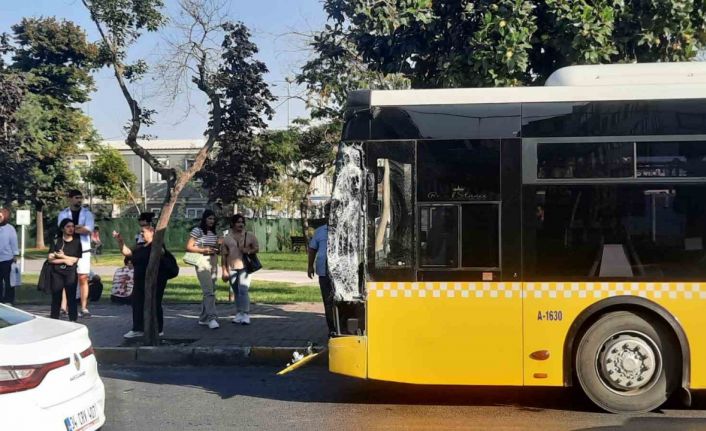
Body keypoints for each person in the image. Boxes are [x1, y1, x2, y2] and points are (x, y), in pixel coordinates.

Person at [114, 225, 168, 338]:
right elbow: (128, 253)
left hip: (155, 280)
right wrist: (120, 242)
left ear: (152, 232)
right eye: (141, 232)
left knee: (155, 303)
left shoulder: (157, 246)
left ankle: (158, 329)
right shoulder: (140, 247)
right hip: (139, 280)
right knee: (137, 303)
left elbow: (162, 255)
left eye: (143, 232)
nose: (141, 234)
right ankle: (138, 328)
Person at [57, 189, 94, 318]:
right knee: (65, 279)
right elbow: (62, 228)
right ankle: (63, 307)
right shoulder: (63, 213)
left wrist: (72, 228)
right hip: (68, 249)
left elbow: (88, 229)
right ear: (70, 198)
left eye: (80, 198)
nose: (79, 200)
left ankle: (84, 307)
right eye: (76, 198)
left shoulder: (87, 214)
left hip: (83, 248)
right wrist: (79, 228)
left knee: (83, 278)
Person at [221, 214, 259, 325]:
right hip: (232, 267)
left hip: (245, 266)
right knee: (236, 291)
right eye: (238, 222)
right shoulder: (227, 238)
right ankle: (239, 313)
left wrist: (248, 250)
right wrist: (224, 270)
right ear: (233, 224)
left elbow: (256, 248)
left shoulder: (249, 235)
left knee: (243, 289)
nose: (240, 224)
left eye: (242, 222)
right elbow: (224, 255)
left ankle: (246, 314)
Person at [186, 210, 221, 329]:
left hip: (213, 260)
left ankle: (203, 318)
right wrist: (203, 250)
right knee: (208, 291)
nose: (211, 221)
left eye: (213, 219)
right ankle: (212, 318)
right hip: (201, 260)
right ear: (204, 219)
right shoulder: (198, 231)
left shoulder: (214, 232)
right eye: (209, 218)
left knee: (212, 289)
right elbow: (189, 246)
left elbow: (216, 248)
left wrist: (219, 246)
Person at [307, 202, 336, 336]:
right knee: (328, 301)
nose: (332, 215)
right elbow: (312, 249)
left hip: (339, 272)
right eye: (329, 212)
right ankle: (332, 329)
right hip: (324, 270)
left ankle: (342, 326)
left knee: (341, 300)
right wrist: (309, 266)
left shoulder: (346, 230)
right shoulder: (320, 231)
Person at [48, 219, 83, 321]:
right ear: (63, 228)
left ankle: (73, 319)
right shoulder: (57, 240)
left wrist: (63, 256)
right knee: (56, 297)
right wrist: (65, 260)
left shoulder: (77, 242)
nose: (71, 229)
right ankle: (54, 319)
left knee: (71, 297)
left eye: (72, 226)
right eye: (68, 226)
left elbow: (74, 260)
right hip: (57, 272)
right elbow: (50, 259)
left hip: (70, 273)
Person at [0, 208, 19, 305]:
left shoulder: (10, 228)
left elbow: (14, 242)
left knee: (9, 281)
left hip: (7, 259)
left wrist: (15, 254)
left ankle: (8, 300)